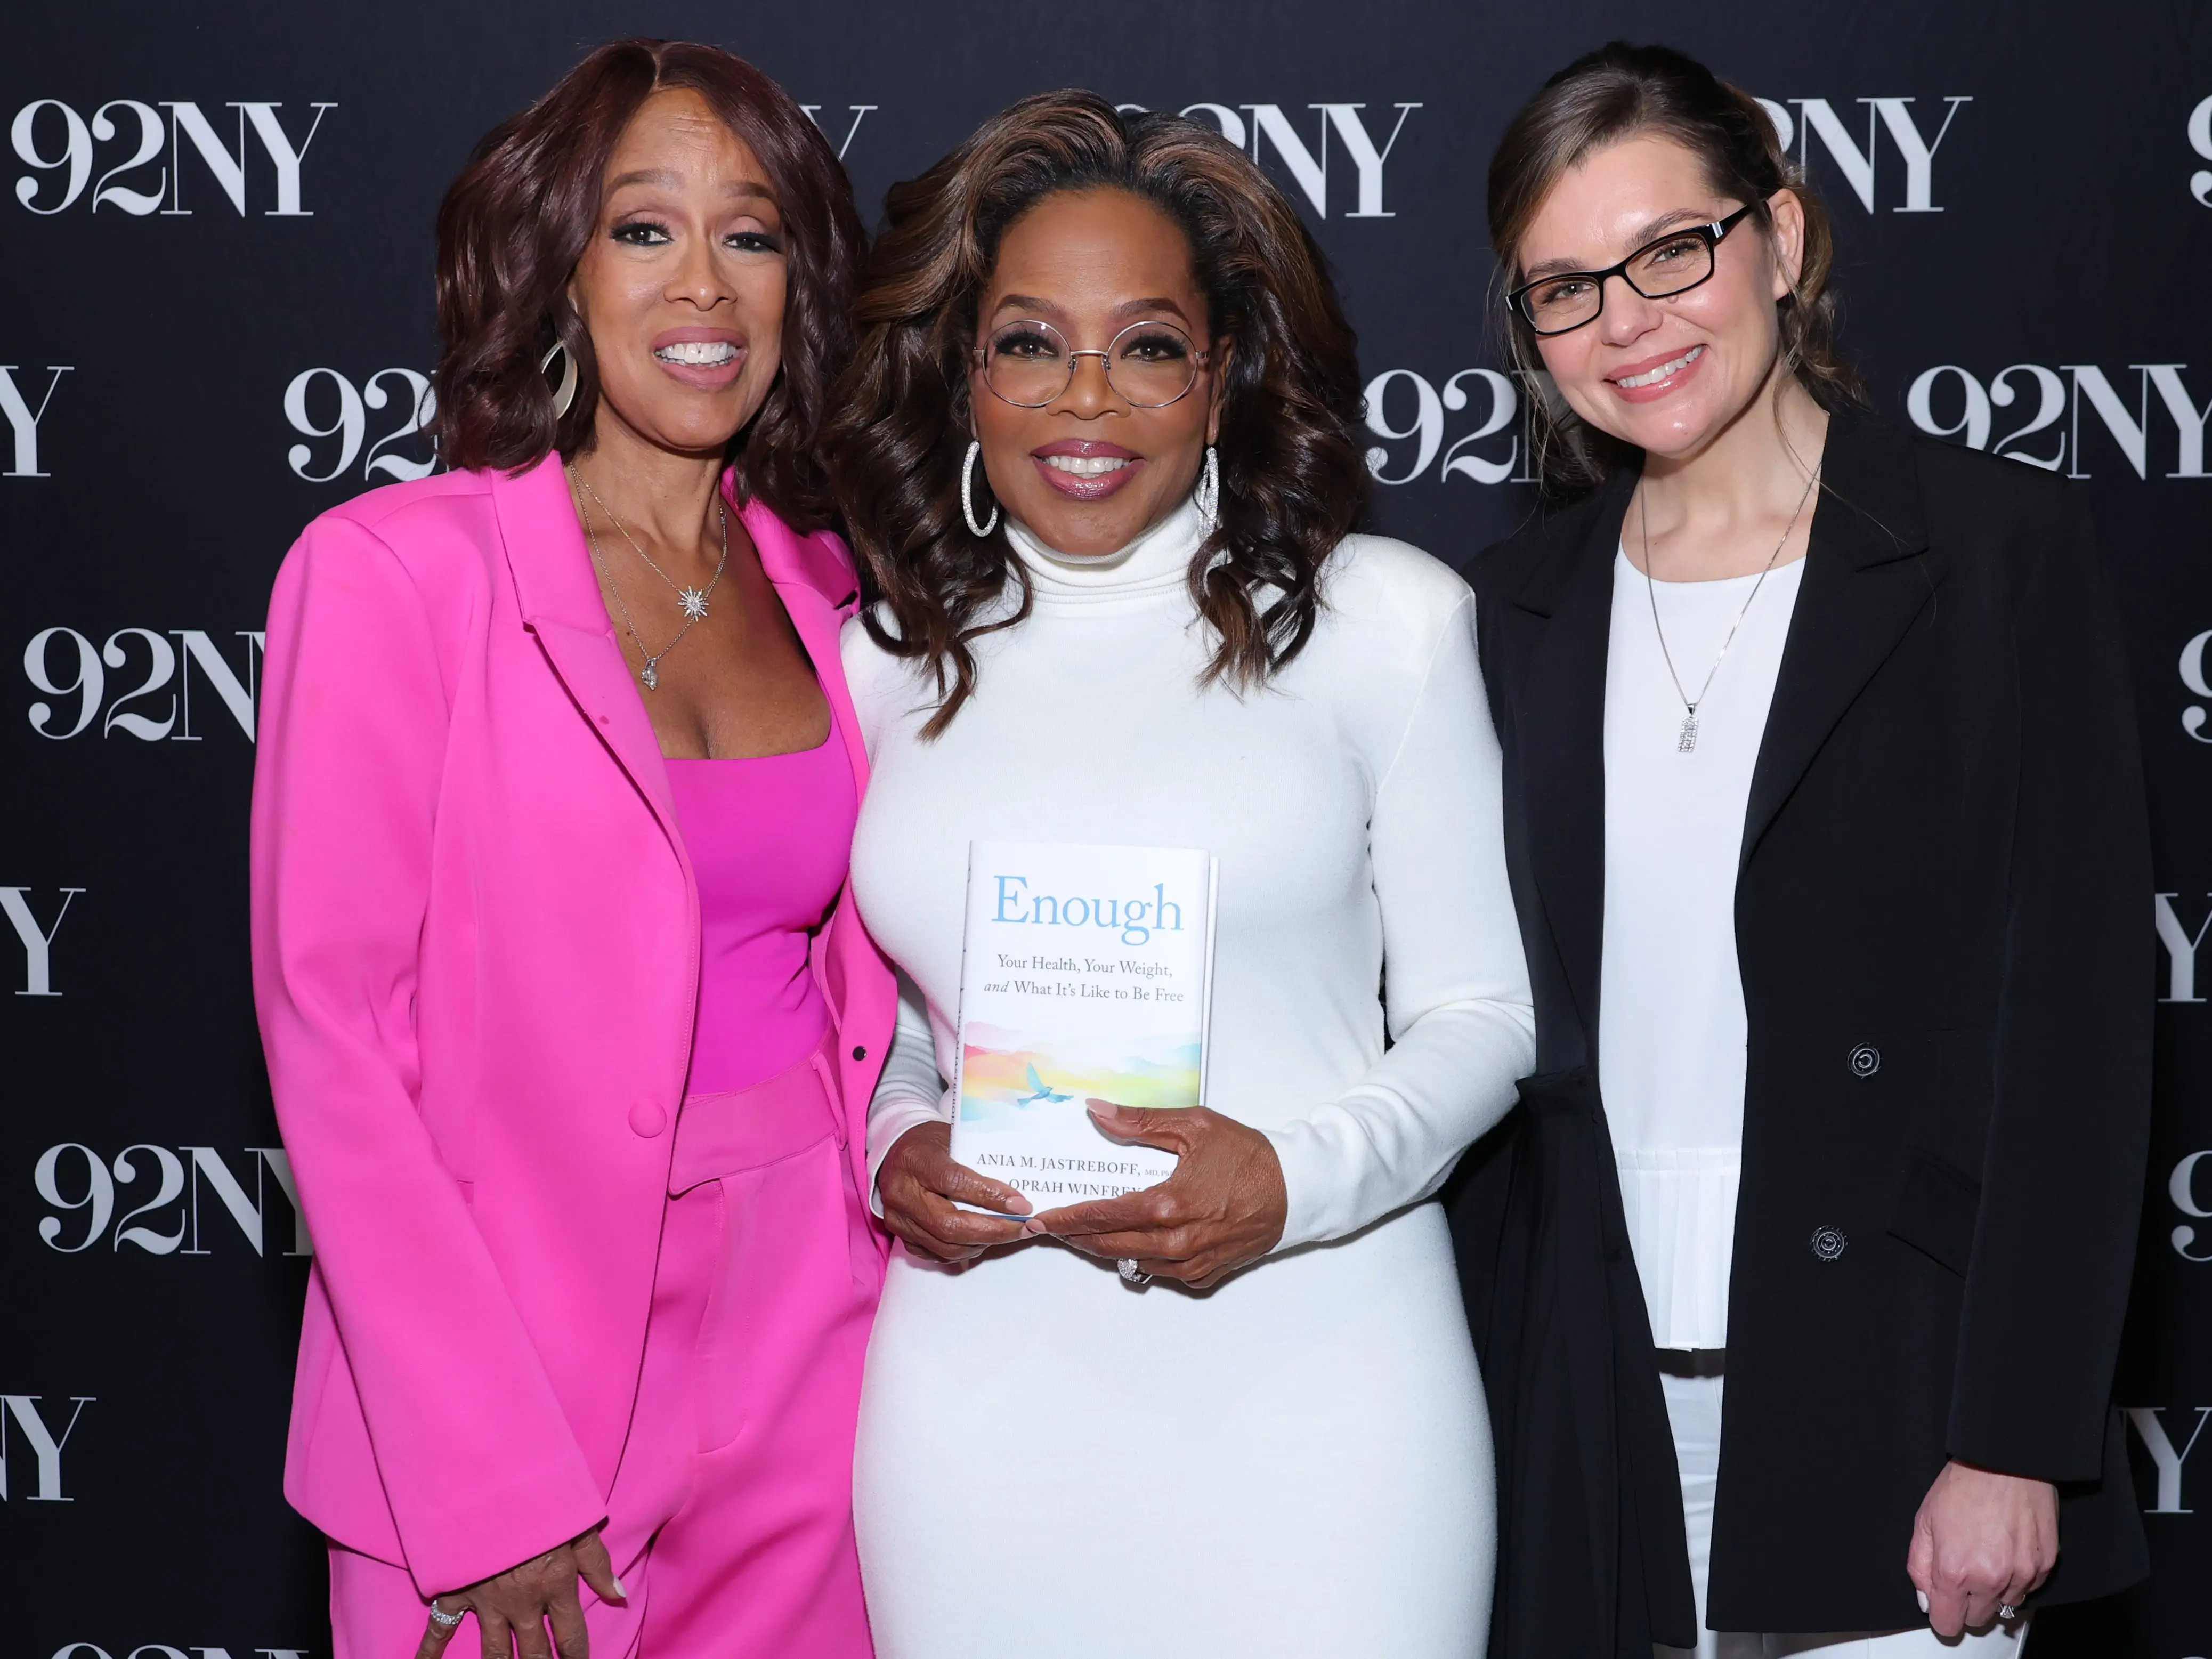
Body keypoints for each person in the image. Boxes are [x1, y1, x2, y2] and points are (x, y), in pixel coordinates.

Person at [1449, 40, 2152, 1659]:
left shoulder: (1988, 555)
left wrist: (2016, 1436)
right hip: (1579, 1415)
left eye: (1669, 251)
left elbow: (2073, 1034)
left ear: (1780, 236)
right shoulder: (1506, 614)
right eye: (1563, 287)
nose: (1625, 322)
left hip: (1897, 1411)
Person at [823, 92, 1536, 1657]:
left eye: (1146, 344)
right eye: (1027, 342)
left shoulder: (1377, 623)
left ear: (1218, 380)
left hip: (1326, 1383)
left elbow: (1485, 1015)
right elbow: (912, 1035)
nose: (1087, 396)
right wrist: (896, 1151)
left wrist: (1289, 1181)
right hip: (979, 1402)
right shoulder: (878, 663)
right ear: (963, 374)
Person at [249, 39, 889, 1659]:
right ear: (556, 267)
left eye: (750, 234)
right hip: (505, 1362)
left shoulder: (838, 597)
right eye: (642, 227)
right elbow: (334, 1040)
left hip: (820, 1326)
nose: (706, 283)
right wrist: (481, 1475)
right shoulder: (394, 573)